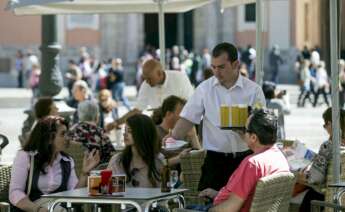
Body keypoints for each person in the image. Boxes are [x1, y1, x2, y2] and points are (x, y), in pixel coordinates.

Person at [169, 42, 266, 192]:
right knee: (210, 205)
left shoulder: (254, 91)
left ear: (236, 64)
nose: (216, 72)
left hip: (246, 160)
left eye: (221, 67)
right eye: (213, 67)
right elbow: (187, 118)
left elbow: (262, 129)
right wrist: (172, 137)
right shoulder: (204, 89)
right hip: (215, 161)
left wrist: (244, 131)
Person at [198, 109, 290, 212]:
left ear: (253, 137)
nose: (242, 132)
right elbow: (247, 196)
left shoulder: (253, 164)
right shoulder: (279, 157)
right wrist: (217, 194)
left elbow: (231, 208)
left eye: (245, 129)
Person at [10, 116, 100, 212]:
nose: (68, 138)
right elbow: (15, 192)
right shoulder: (26, 157)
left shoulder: (67, 161)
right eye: (63, 134)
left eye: (67, 134)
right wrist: (38, 209)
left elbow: (73, 196)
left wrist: (84, 173)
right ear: (49, 137)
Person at [106, 59, 194, 131]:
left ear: (159, 73)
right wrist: (117, 122)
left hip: (182, 124)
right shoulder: (146, 85)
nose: (147, 82)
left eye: (149, 78)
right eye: (145, 78)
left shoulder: (179, 78)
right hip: (159, 127)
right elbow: (137, 110)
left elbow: (190, 104)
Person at [296, 107, 345, 212]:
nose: (325, 129)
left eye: (325, 125)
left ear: (330, 124)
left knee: (306, 193)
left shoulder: (328, 146)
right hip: (341, 195)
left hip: (329, 197)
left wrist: (302, 176)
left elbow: (316, 178)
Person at [107, 114, 164, 187]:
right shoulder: (117, 161)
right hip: (123, 198)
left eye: (130, 131)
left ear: (143, 133)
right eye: (125, 130)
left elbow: (165, 191)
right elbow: (108, 190)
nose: (125, 134)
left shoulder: (158, 160)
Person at [154, 95, 201, 166]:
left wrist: (193, 137)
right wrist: (179, 158)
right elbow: (155, 165)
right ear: (168, 114)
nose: (185, 118)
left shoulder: (186, 132)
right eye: (182, 114)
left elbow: (200, 160)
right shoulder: (155, 133)